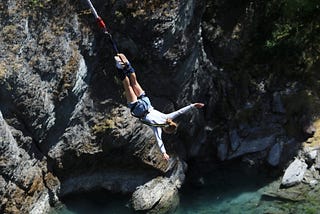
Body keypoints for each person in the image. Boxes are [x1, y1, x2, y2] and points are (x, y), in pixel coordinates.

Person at [114, 53, 204, 161]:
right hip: (138, 109)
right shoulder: (157, 128)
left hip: (146, 103)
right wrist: (164, 153)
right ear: (166, 130)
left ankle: (127, 65)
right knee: (127, 85)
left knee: (134, 82)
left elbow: (180, 111)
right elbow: (159, 141)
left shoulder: (167, 117)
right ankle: (119, 67)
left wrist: (193, 105)